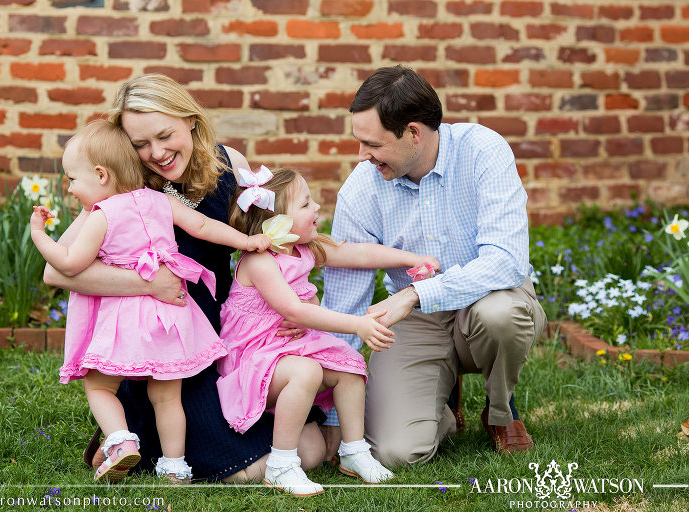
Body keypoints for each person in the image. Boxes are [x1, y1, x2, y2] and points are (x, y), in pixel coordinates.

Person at [43, 73, 326, 483]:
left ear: (190, 120)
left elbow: (265, 244)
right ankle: (136, 431)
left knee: (312, 450)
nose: (156, 153)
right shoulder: (127, 188)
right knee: (244, 472)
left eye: (165, 135)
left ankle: (140, 437)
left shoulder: (231, 166)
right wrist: (148, 284)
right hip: (164, 350)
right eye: (140, 144)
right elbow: (58, 271)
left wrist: (294, 305)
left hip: (226, 338)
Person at [322, 65, 548, 465]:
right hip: (419, 324)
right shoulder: (361, 189)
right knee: (394, 453)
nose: (361, 156)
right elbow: (345, 304)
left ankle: (500, 412)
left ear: (413, 133)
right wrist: (332, 412)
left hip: (487, 301)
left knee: (502, 316)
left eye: (371, 143)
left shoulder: (482, 151)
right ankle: (440, 405)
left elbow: (508, 261)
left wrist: (415, 293)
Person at [31, 119, 271, 483]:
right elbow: (205, 227)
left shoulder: (103, 216)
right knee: (167, 397)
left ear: (100, 174)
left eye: (72, 180)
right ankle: (175, 468)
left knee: (98, 386)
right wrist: (247, 242)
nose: (71, 189)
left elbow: (66, 263)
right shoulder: (160, 199)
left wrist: (38, 233)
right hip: (172, 319)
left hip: (127, 322)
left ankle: (120, 442)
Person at [217, 166, 440, 496]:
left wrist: (414, 258)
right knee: (306, 372)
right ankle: (280, 465)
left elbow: (360, 252)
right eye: (305, 204)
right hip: (254, 356)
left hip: (287, 349)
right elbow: (295, 310)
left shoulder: (305, 247)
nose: (317, 208)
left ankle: (354, 451)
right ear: (275, 220)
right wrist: (358, 324)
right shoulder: (259, 261)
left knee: (349, 364)